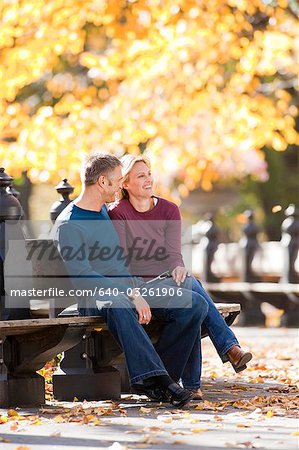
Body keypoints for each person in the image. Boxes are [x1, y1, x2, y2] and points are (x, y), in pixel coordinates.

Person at [53, 152, 210, 408]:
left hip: (130, 288)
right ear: (102, 182)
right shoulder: (69, 224)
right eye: (117, 181)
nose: (119, 187)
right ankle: (161, 383)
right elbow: (84, 277)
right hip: (96, 296)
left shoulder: (103, 211)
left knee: (195, 305)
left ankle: (162, 378)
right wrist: (131, 294)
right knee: (118, 303)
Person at [109, 154, 253, 399]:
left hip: (166, 284)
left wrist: (177, 266)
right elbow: (124, 263)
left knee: (190, 291)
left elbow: (174, 254)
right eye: (141, 176)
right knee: (191, 286)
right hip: (139, 289)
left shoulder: (169, 209)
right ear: (125, 183)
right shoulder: (118, 213)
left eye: (149, 174)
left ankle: (194, 384)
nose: (148, 180)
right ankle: (228, 350)